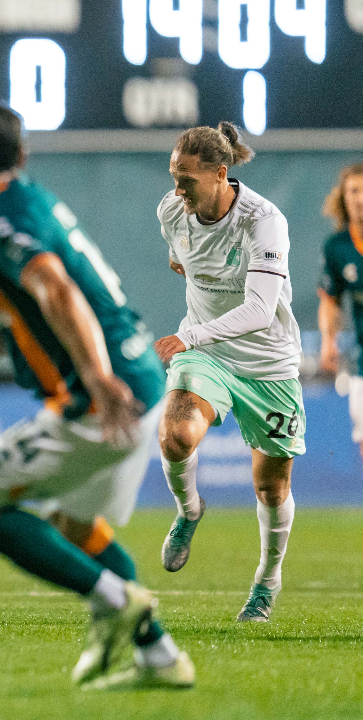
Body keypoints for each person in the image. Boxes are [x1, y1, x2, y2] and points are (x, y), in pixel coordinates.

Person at [0, 101, 191, 690]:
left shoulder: (2, 220)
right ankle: (159, 658)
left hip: (102, 399)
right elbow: (21, 309)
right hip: (142, 384)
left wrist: (97, 377)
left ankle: (114, 599)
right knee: (74, 527)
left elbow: (55, 290)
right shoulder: (31, 200)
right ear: (21, 154)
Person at [154, 122, 302, 623]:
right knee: (175, 436)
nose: (177, 190)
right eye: (174, 177)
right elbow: (182, 261)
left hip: (267, 363)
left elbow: (261, 310)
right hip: (209, 356)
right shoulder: (172, 211)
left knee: (271, 489)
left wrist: (190, 336)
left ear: (221, 174)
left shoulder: (264, 222)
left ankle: (266, 581)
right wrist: (195, 336)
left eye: (187, 180)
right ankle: (189, 510)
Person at [317, 163, 363, 458]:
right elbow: (330, 301)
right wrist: (328, 342)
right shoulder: (337, 247)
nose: (360, 198)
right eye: (354, 191)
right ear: (344, 198)